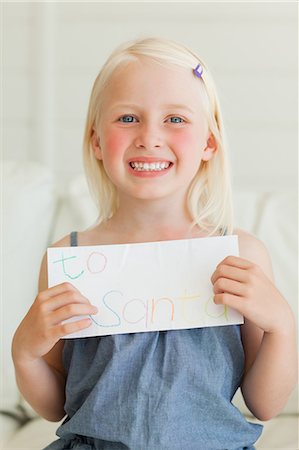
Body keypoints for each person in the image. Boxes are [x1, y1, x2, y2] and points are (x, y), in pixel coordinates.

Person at [12, 37, 297, 450]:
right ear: (95, 141)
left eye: (176, 120)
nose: (149, 136)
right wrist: (25, 353)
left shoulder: (239, 254)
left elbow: (265, 404)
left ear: (209, 143)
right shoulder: (67, 258)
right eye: (127, 118)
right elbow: (55, 405)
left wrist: (282, 326)